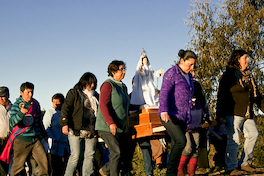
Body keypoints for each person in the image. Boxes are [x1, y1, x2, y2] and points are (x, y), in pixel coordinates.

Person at [216, 49, 263, 175]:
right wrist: (219, 115)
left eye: (247, 58)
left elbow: (257, 96)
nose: (248, 60)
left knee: (253, 134)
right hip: (233, 113)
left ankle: (244, 163)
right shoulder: (229, 76)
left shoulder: (249, 76)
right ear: (237, 60)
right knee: (234, 140)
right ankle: (230, 168)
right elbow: (221, 96)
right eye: (245, 58)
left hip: (247, 113)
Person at [158, 49, 197, 176]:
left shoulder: (189, 77)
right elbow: (164, 93)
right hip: (169, 115)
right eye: (189, 64)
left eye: (193, 65)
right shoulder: (171, 73)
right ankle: (170, 172)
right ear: (181, 61)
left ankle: (173, 173)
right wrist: (164, 110)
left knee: (176, 144)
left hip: (182, 117)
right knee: (181, 141)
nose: (191, 67)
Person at [95, 60, 131, 176]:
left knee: (123, 154)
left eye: (124, 69)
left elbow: (126, 105)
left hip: (121, 127)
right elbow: (103, 105)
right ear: (113, 72)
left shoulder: (123, 87)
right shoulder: (108, 85)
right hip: (107, 126)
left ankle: (104, 171)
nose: (124, 72)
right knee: (116, 153)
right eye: (121, 70)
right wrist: (110, 123)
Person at [60, 72, 99, 176]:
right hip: (76, 129)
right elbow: (66, 107)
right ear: (84, 82)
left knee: (90, 156)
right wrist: (64, 123)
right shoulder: (74, 93)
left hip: (91, 130)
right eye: (90, 83)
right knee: (75, 156)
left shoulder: (96, 96)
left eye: (94, 83)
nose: (92, 85)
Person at [7, 82, 48, 175]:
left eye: (31, 92)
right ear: (21, 93)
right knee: (17, 166)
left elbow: (39, 122)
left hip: (35, 139)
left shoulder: (36, 104)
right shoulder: (17, 105)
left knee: (44, 163)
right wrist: (21, 113)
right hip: (22, 139)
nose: (30, 94)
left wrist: (44, 134)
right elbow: (12, 122)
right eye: (28, 92)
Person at [177, 69, 211, 176]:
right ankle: (180, 170)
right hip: (185, 123)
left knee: (196, 149)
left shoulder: (197, 85)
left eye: (194, 71)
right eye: (190, 71)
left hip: (197, 122)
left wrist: (207, 114)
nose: (193, 73)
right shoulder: (180, 85)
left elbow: (204, 101)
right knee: (188, 147)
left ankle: (191, 172)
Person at [43, 93, 70, 176]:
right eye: (54, 102)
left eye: (57, 102)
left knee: (63, 167)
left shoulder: (65, 113)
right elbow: (46, 127)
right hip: (53, 144)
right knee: (54, 167)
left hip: (64, 144)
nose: (55, 104)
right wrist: (51, 138)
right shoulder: (50, 112)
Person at [0, 87, 12, 175]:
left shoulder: (14, 107)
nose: (0, 99)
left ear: (8, 96)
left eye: (3, 96)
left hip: (11, 140)